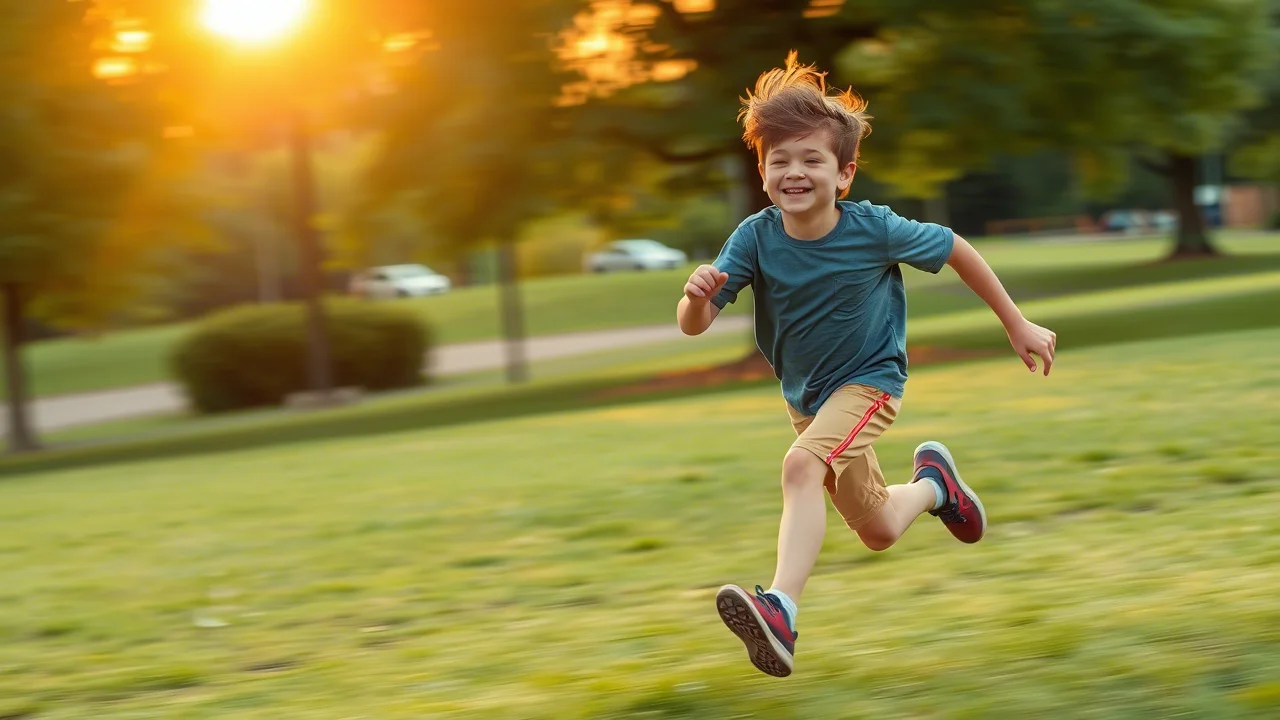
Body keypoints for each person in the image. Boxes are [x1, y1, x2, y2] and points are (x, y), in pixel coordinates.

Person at [675, 53, 1057, 678]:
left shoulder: (874, 228)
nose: (793, 172)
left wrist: (1016, 323)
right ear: (763, 171)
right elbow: (697, 324)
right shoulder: (753, 236)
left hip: (870, 383)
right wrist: (693, 299)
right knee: (877, 527)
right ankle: (937, 486)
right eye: (779, 161)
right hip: (808, 400)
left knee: (801, 467)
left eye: (812, 159)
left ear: (844, 173)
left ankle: (781, 611)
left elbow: (956, 247)